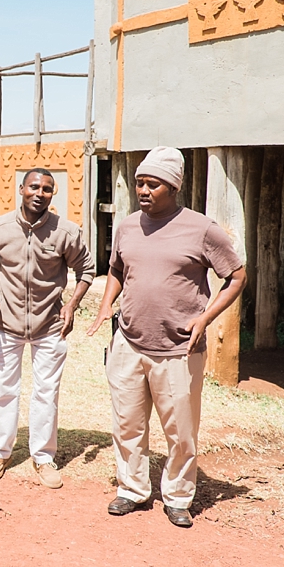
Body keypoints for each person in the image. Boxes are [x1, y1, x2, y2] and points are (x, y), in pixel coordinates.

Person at [86, 146, 246, 528]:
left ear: (173, 188)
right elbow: (116, 270)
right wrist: (106, 304)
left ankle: (177, 496)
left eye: (152, 184)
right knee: (127, 422)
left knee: (180, 430)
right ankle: (132, 489)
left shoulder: (202, 229)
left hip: (178, 347)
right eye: (140, 182)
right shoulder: (127, 226)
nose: (143, 190)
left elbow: (236, 276)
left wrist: (205, 318)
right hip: (128, 341)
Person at [0, 169, 95, 487]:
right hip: (7, 324)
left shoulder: (66, 232)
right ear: (21, 189)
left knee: (46, 393)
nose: (40, 193)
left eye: (47, 189)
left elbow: (86, 270)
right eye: (34, 187)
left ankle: (43, 458)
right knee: (3, 389)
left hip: (49, 326)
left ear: (52, 194)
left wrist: (71, 305)